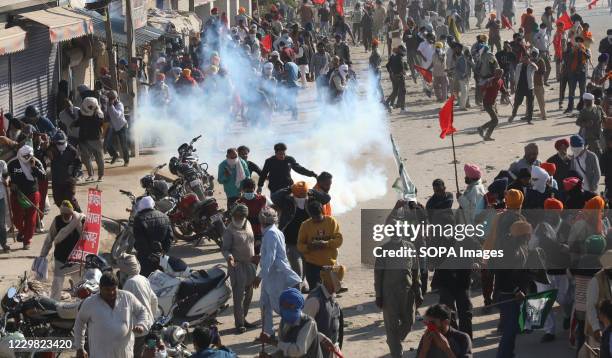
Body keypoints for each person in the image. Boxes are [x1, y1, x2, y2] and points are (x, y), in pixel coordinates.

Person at [375, 200, 422, 358]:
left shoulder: (410, 247)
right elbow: (378, 275)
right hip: (389, 294)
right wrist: (378, 295)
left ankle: (394, 340)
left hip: (407, 293)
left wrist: (419, 289)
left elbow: (415, 270)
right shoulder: (383, 250)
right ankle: (396, 351)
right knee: (391, 325)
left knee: (409, 323)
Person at [74, 271, 151, 358]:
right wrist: (80, 348)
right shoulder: (90, 303)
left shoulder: (127, 297)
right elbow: (79, 323)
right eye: (107, 290)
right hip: (100, 354)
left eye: (114, 289)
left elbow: (142, 311)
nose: (111, 292)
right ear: (100, 288)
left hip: (125, 354)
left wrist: (141, 324)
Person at [255, 207, 302, 336]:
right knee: (264, 304)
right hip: (270, 275)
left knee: (279, 306)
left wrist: (259, 276)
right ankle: (268, 333)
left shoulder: (271, 234)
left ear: (262, 222)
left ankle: (295, 328)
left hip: (276, 276)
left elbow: (270, 258)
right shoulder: (275, 232)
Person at [272, 181, 330, 287]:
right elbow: (274, 197)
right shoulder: (287, 201)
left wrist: (312, 191)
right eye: (300, 194)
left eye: (304, 194)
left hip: (309, 242)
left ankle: (302, 286)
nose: (303, 197)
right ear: (294, 194)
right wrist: (289, 188)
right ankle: (297, 296)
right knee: (297, 272)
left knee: (307, 270)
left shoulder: (312, 200)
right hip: (291, 242)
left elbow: (327, 198)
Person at [493, 221, 532, 358]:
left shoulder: (520, 246)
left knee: (513, 327)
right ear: (521, 235)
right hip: (507, 294)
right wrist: (516, 290)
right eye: (527, 234)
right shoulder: (509, 249)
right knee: (510, 329)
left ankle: (508, 353)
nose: (529, 236)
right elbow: (504, 274)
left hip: (515, 294)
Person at [221, 204, 257, 333]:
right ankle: (239, 323)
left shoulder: (248, 224)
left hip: (250, 264)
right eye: (237, 215)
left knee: (249, 294)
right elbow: (225, 249)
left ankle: (244, 318)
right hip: (237, 266)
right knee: (239, 296)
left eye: (242, 215)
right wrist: (229, 257)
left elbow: (251, 241)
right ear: (233, 214)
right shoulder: (229, 230)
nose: (239, 217)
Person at [38, 200, 84, 299]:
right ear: (61, 213)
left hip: (75, 258)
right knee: (57, 283)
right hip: (60, 257)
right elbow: (49, 238)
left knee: (79, 284)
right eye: (64, 214)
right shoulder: (57, 221)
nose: (67, 216)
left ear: (72, 212)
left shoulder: (78, 221)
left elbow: (84, 237)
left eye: (69, 214)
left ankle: (82, 303)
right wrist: (43, 254)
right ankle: (54, 303)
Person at [260, 288, 324, 357]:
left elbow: (297, 351)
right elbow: (283, 350)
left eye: (290, 306)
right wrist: (270, 356)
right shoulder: (284, 322)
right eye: (284, 306)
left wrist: (272, 341)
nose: (286, 309)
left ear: (298, 306)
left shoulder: (309, 323)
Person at [115, 253, 158, 357]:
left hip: (137, 331)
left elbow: (122, 310)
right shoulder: (143, 279)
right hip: (148, 326)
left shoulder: (129, 283)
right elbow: (154, 300)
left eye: (121, 270)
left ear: (124, 271)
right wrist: (150, 318)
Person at [297, 200, 343, 290]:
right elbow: (300, 245)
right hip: (312, 265)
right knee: (315, 293)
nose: (317, 219)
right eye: (314, 217)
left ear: (322, 211)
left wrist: (326, 244)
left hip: (329, 265)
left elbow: (339, 241)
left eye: (319, 216)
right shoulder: (305, 225)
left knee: (330, 292)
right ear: (309, 214)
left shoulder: (331, 222)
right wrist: (309, 247)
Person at [8, 145, 45, 249]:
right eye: (25, 156)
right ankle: (22, 231)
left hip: (32, 193)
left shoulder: (36, 162)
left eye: (29, 156)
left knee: (31, 218)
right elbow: (5, 177)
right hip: (17, 194)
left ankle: (27, 240)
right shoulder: (12, 163)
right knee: (17, 218)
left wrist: (34, 167)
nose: (27, 158)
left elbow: (43, 176)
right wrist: (10, 184)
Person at [303, 265, 344, 357]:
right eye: (337, 281)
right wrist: (322, 338)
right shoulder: (314, 301)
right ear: (329, 280)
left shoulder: (332, 296)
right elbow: (303, 328)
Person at [133, 196, 173, 277]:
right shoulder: (164, 216)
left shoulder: (139, 218)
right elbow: (169, 237)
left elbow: (139, 241)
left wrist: (146, 253)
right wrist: (164, 251)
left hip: (145, 258)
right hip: (160, 256)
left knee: (146, 279)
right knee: (160, 280)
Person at [47, 131, 81, 212]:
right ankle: (66, 214)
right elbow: (45, 149)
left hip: (69, 180)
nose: (61, 145)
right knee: (58, 200)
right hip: (56, 180)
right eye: (58, 143)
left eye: (63, 142)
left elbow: (78, 164)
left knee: (70, 199)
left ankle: (79, 215)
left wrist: (74, 174)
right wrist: (48, 150)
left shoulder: (72, 151)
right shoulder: (52, 149)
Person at [72, 97, 105, 182]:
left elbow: (102, 123)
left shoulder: (99, 115)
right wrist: (74, 124)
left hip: (95, 139)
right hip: (83, 138)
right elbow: (80, 121)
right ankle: (91, 175)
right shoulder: (81, 112)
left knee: (99, 158)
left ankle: (100, 176)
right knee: (85, 158)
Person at [478, 69, 509, 141]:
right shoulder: (490, 81)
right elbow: (482, 88)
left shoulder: (500, 81)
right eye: (497, 73)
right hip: (487, 102)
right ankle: (482, 128)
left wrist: (506, 92)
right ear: (495, 73)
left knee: (494, 121)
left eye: (500, 74)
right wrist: (485, 88)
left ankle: (487, 136)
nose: (499, 75)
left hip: (493, 103)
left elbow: (502, 88)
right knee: (495, 120)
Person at [508, 52, 538, 124]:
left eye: (526, 58)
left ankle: (529, 119)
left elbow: (537, 68)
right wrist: (514, 86)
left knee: (530, 104)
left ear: (529, 59)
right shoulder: (518, 66)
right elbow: (516, 76)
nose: (524, 60)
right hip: (520, 87)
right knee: (517, 103)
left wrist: (531, 62)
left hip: (529, 87)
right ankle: (513, 115)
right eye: (523, 58)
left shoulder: (531, 66)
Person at [565, 36, 590, 114]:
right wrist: (572, 50)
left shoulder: (585, 49)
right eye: (577, 41)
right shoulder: (572, 49)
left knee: (582, 91)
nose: (579, 42)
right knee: (571, 91)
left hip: (582, 73)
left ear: (582, 42)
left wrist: (582, 50)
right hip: (573, 73)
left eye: (580, 41)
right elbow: (567, 58)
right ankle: (570, 108)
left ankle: (581, 107)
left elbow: (588, 56)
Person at [105, 90, 130, 167]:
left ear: (116, 98)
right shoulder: (109, 104)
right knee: (107, 144)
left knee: (123, 145)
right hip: (113, 126)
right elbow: (109, 115)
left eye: (112, 98)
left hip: (122, 126)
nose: (110, 99)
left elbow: (117, 115)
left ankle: (126, 161)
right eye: (109, 98)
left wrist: (111, 106)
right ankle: (115, 155)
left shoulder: (120, 105)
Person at [385, 45, 408, 114]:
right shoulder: (399, 57)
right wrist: (404, 73)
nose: (404, 53)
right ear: (400, 50)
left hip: (393, 77)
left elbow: (387, 65)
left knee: (395, 91)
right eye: (403, 51)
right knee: (402, 92)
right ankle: (402, 109)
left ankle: (387, 103)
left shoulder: (393, 56)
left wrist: (391, 73)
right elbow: (401, 68)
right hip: (399, 77)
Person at [532, 48, 548, 121]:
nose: (533, 55)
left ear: (537, 54)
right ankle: (528, 114)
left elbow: (543, 71)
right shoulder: (530, 61)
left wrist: (535, 71)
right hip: (531, 84)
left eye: (535, 53)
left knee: (541, 101)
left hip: (539, 84)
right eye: (533, 53)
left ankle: (544, 115)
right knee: (530, 101)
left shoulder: (541, 61)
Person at [0, 160, 7, 253]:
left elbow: (6, 176)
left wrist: (6, 180)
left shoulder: (2, 163)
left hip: (0, 197)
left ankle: (4, 243)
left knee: (1, 223)